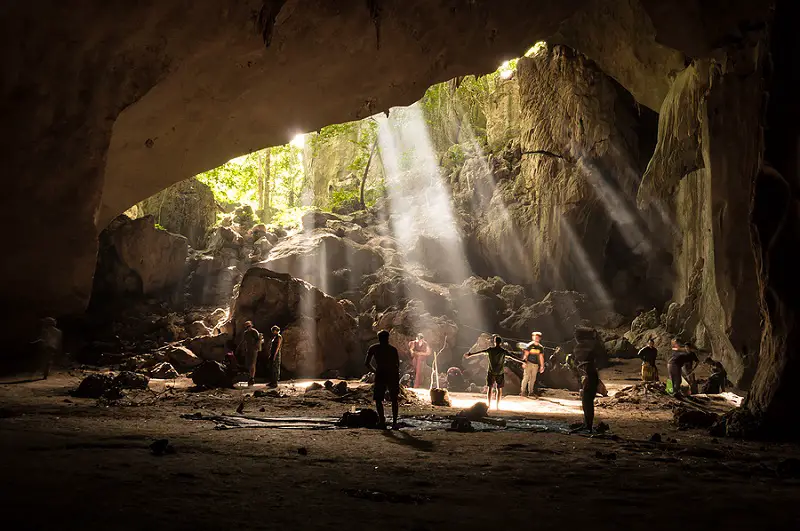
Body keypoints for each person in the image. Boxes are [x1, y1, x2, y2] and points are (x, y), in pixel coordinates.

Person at [464, 335, 511, 411]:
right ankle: (497, 406)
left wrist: (470, 354)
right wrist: (523, 361)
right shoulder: (503, 351)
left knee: (490, 388)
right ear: (500, 343)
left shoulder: (490, 350)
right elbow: (513, 357)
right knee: (499, 389)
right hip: (499, 372)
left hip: (491, 372)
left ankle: (489, 404)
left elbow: (480, 352)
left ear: (495, 342)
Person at [365, 330, 400, 429]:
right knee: (394, 399)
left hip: (381, 373)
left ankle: (382, 421)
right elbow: (397, 365)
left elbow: (367, 363)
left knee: (378, 399)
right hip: (392, 374)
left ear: (379, 338)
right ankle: (394, 422)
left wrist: (375, 371)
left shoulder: (374, 348)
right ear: (388, 338)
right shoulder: (393, 349)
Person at [572, 326, 604, 432]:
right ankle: (587, 424)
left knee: (587, 401)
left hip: (588, 376)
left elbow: (578, 361)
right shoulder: (591, 346)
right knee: (587, 401)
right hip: (591, 375)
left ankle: (588, 425)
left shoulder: (581, 347)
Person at [521, 331, 546, 397]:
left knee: (533, 379)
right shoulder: (529, 345)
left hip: (536, 365)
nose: (536, 338)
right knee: (526, 377)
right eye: (535, 337)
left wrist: (542, 366)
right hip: (528, 363)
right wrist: (524, 362)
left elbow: (541, 357)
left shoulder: (540, 347)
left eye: (537, 337)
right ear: (533, 337)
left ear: (539, 338)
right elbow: (526, 355)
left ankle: (531, 392)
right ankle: (523, 391)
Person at [238, 321, 263, 386]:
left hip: (254, 350)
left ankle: (252, 378)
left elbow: (259, 340)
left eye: (249, 326)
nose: (248, 327)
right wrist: (240, 347)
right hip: (248, 350)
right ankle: (250, 377)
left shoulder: (254, 331)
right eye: (247, 326)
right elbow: (244, 341)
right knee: (249, 364)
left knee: (252, 364)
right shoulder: (245, 333)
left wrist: (256, 347)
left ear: (251, 325)